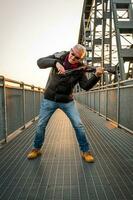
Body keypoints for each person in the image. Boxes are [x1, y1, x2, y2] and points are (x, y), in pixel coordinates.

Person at [27, 44, 104, 162]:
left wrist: (96, 76)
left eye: (77, 58)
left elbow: (86, 86)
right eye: (72, 54)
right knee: (41, 124)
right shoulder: (59, 57)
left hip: (67, 101)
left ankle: (85, 151)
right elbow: (40, 62)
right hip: (49, 99)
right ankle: (36, 149)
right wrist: (55, 63)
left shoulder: (80, 69)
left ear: (80, 59)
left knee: (78, 125)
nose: (73, 58)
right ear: (70, 51)